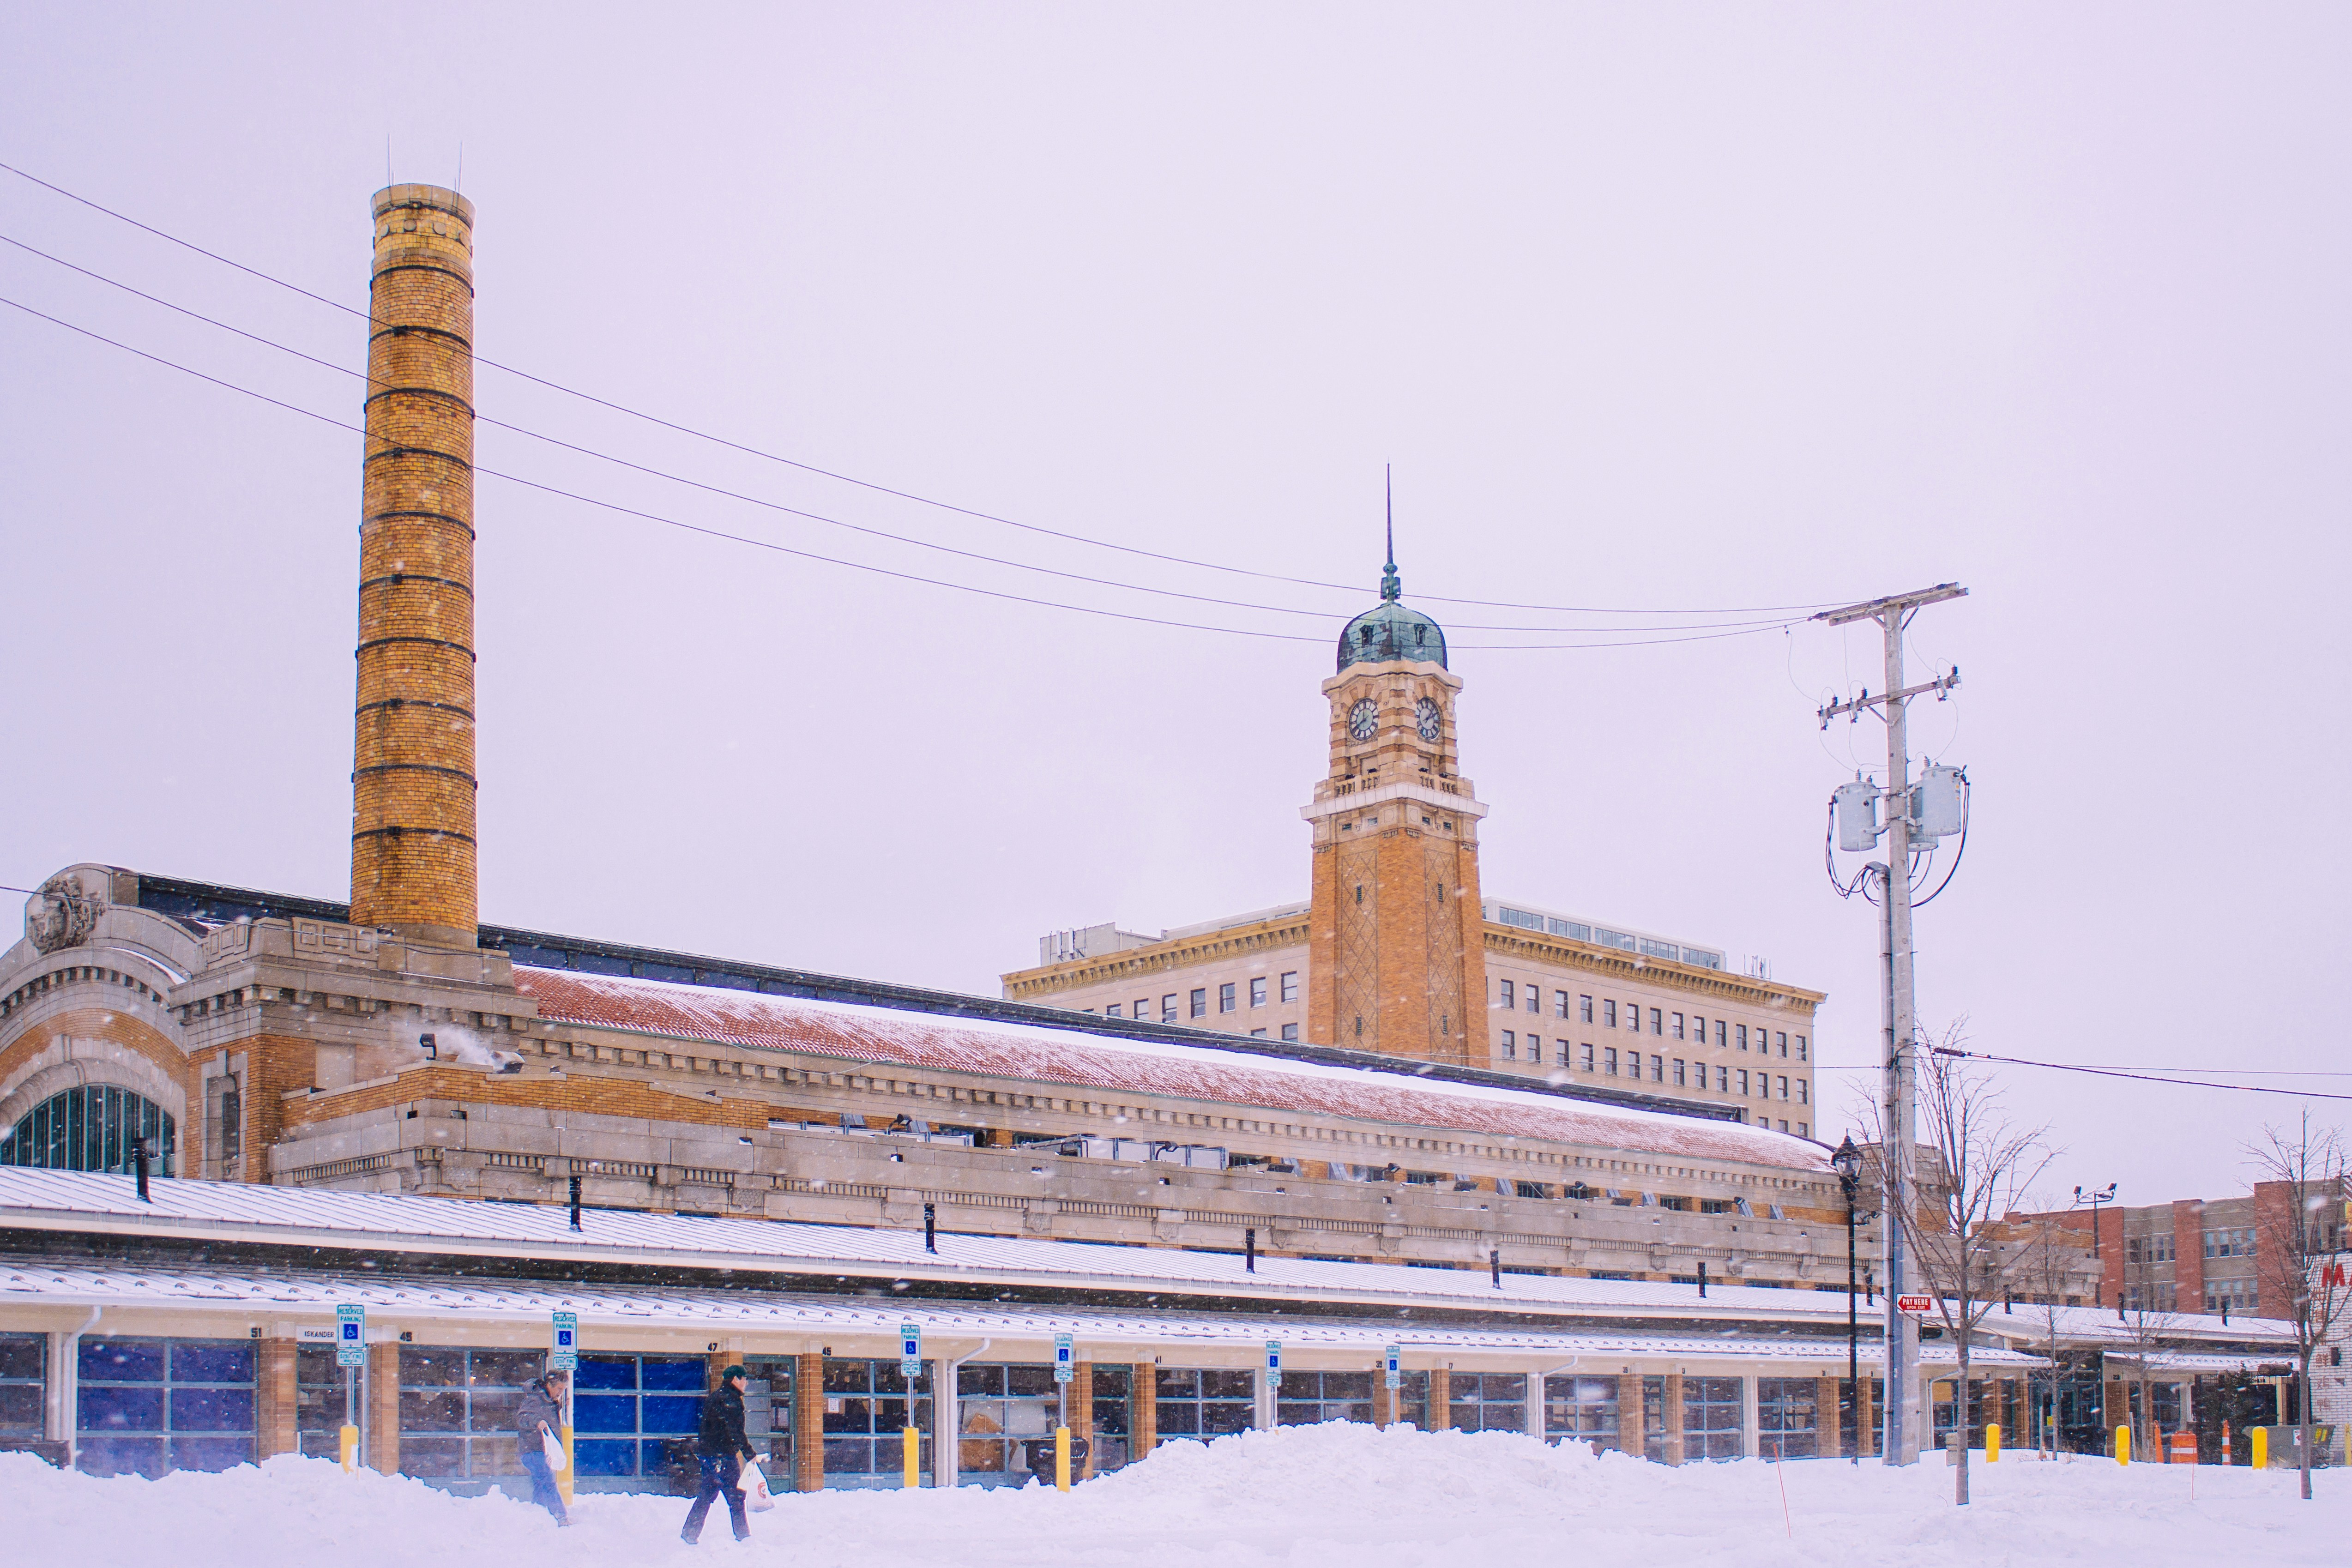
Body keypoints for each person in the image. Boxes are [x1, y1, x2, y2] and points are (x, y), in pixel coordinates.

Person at [681, 1365, 756, 1544]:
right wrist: (749, 1453)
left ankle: (690, 1533)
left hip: (710, 1456)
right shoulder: (731, 1400)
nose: (746, 1382)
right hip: (723, 1457)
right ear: (735, 1380)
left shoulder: (715, 1397)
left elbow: (707, 1428)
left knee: (707, 1495)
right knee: (736, 1498)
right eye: (744, 1378)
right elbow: (735, 1430)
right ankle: (743, 1537)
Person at [514, 1368, 572, 1527]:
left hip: (540, 1451)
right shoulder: (535, 1399)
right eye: (559, 1389)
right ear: (549, 1385)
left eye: (563, 1389)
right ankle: (561, 1516)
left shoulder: (548, 1400)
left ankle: (538, 1514)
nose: (561, 1392)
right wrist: (536, 1422)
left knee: (541, 1483)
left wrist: (559, 1406)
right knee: (548, 1482)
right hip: (533, 1450)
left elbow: (546, 1415)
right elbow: (522, 1418)